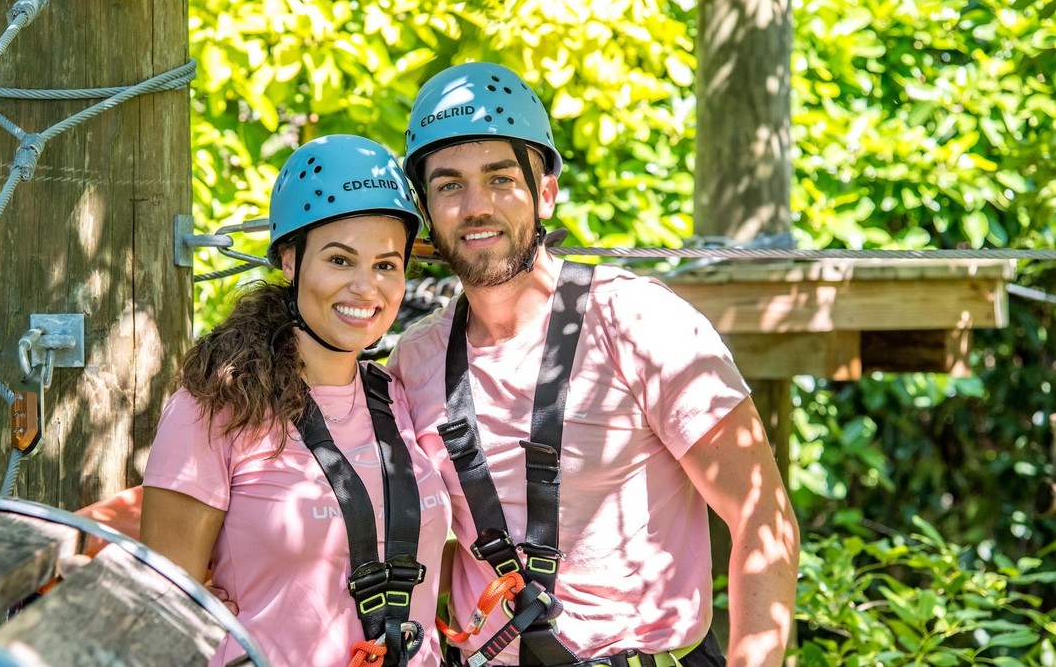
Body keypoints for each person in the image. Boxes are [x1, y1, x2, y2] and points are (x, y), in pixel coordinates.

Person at [388, 61, 799, 667]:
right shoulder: (415, 361)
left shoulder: (639, 322)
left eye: (501, 178)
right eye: (449, 185)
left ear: (546, 192)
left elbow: (763, 514)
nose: (476, 206)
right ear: (426, 208)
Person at [140, 134, 451, 667]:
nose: (366, 288)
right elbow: (163, 607)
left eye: (385, 265)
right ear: (290, 260)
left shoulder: (399, 396)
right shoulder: (216, 405)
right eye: (340, 259)